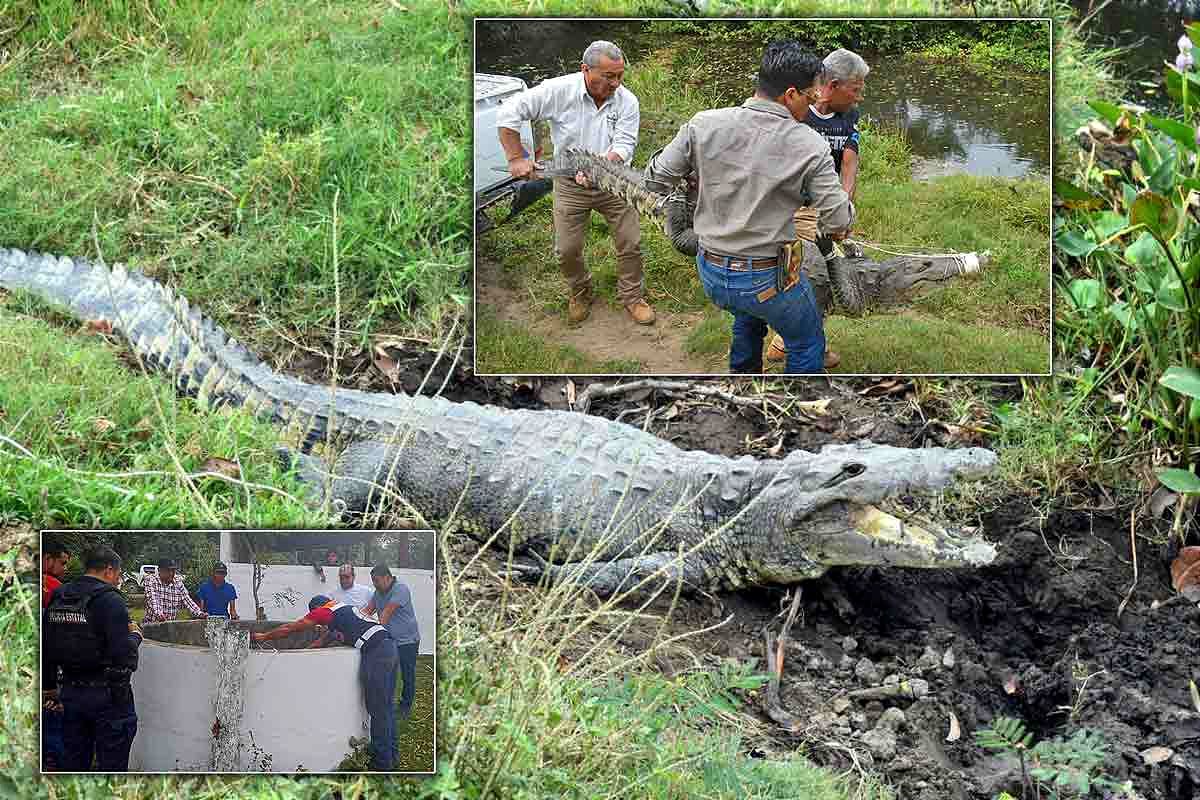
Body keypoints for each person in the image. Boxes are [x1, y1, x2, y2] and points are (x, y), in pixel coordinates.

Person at [645, 40, 854, 374]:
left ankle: (742, 387)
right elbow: (838, 219)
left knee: (749, 315)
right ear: (791, 95)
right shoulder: (809, 144)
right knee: (806, 341)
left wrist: (693, 173)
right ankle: (799, 411)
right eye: (811, 96)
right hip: (765, 278)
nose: (814, 103)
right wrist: (846, 215)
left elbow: (655, 180)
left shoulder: (703, 124)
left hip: (711, 272)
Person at [497, 40, 656, 326]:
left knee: (630, 242)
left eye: (620, 75)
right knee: (567, 250)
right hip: (569, 185)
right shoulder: (558, 91)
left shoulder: (627, 100)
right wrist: (516, 157)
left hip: (614, 183)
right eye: (609, 76)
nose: (616, 83)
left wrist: (599, 169)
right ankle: (580, 292)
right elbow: (509, 111)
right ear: (586, 69)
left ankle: (632, 296)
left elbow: (625, 143)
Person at [768, 48, 870, 368]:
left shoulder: (849, 116)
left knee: (823, 275)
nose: (859, 98)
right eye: (855, 90)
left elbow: (849, 163)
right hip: (791, 213)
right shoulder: (798, 111)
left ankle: (794, 339)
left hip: (826, 211)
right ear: (833, 85)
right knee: (793, 274)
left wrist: (843, 206)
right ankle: (791, 342)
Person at [251, 595, 399, 770]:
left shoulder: (325, 611)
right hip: (389, 647)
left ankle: (381, 764)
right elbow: (319, 643)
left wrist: (263, 636)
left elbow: (291, 628)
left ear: (316, 609)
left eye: (316, 618)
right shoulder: (344, 613)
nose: (319, 624)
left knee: (377, 708)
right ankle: (391, 755)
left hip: (377, 654)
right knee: (386, 707)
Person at [43, 545, 143, 771]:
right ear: (109, 570)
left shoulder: (60, 595)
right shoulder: (110, 600)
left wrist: (50, 688)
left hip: (70, 694)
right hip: (108, 697)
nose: (118, 581)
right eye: (118, 574)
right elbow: (124, 656)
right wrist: (135, 636)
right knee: (112, 766)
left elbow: (47, 646)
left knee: (74, 762)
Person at [362, 564, 420, 721]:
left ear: (388, 578)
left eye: (377, 580)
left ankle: (405, 706)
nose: (374, 584)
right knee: (388, 672)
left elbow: (385, 616)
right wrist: (356, 620)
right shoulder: (378, 592)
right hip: (391, 639)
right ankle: (387, 702)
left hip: (408, 641)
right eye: (373, 581)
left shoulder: (401, 589)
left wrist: (367, 631)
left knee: (407, 675)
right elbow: (367, 611)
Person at [40, 535, 71, 771]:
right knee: (54, 718)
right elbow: (55, 639)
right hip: (49, 670)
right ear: (47, 559)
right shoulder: (54, 587)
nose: (64, 568)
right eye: (62, 563)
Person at [142, 556, 206, 623]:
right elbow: (153, 600)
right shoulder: (151, 580)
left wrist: (199, 613)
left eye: (173, 570)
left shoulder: (177, 581)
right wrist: (159, 614)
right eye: (168, 570)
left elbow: (187, 600)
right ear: (159, 570)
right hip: (152, 624)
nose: (171, 573)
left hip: (171, 625)